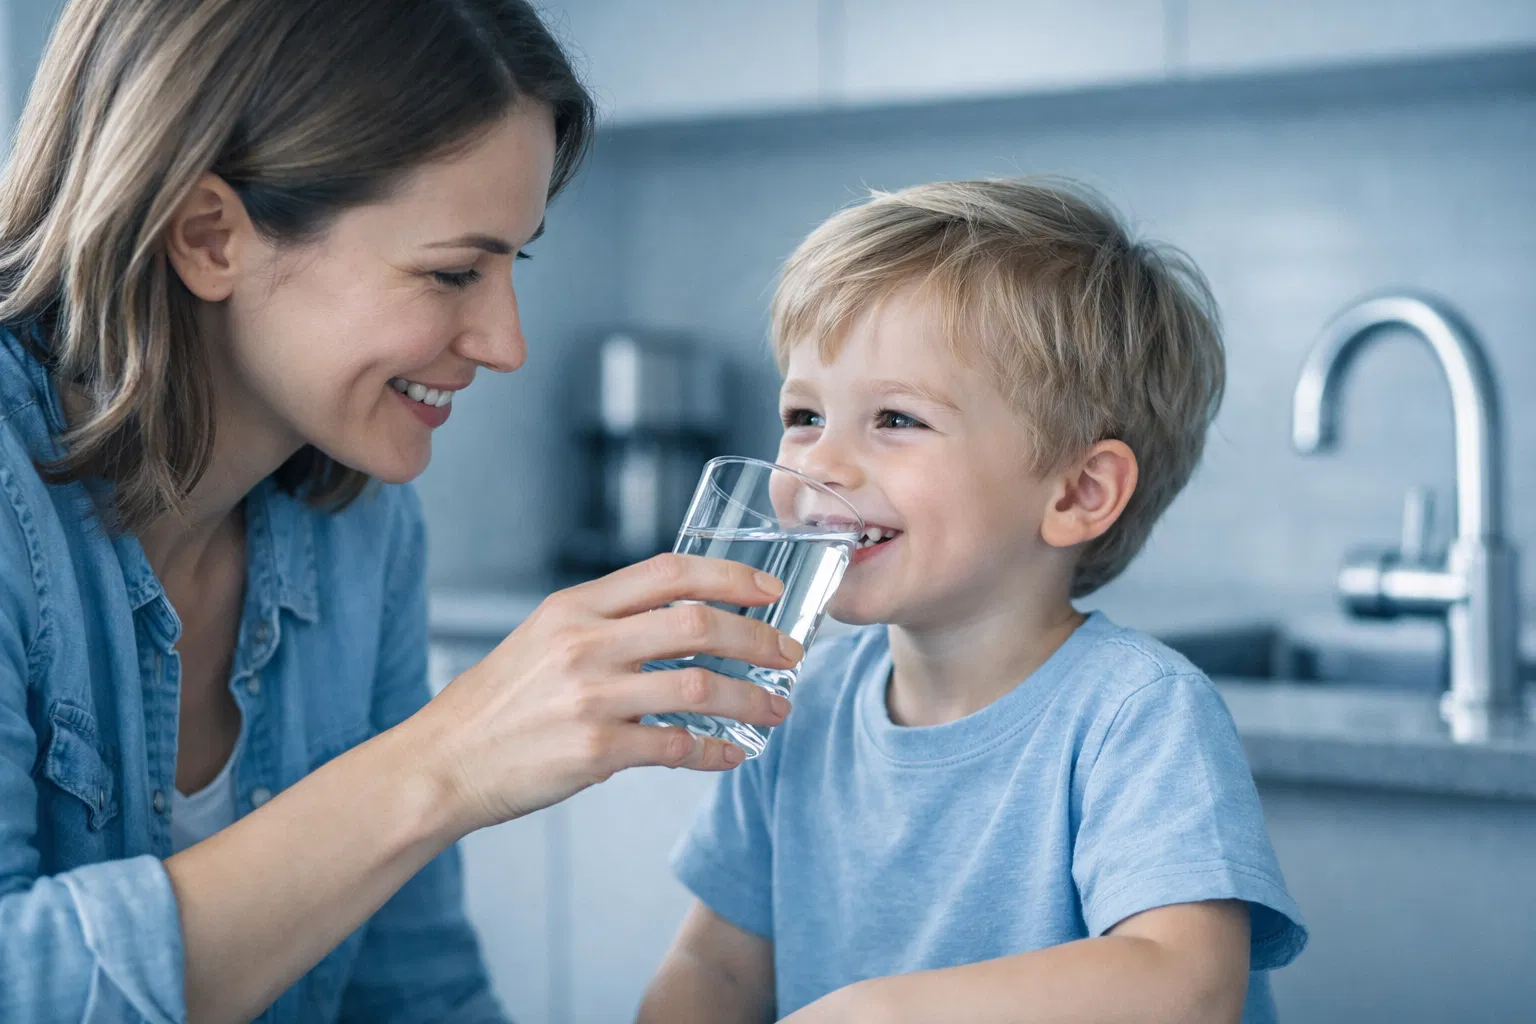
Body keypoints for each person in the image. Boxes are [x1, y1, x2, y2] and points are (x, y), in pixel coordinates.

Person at [0, 2, 802, 1021]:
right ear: (209, 237)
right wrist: (443, 761)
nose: (507, 344)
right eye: (452, 271)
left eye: (517, 263)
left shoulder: (360, 531)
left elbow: (414, 991)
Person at [639, 178, 1308, 1024]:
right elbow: (718, 968)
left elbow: (1187, 983)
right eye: (804, 413)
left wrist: (878, 1014)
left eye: (896, 419)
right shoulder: (795, 702)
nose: (820, 465)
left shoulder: (1137, 714)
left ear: (1077, 491)